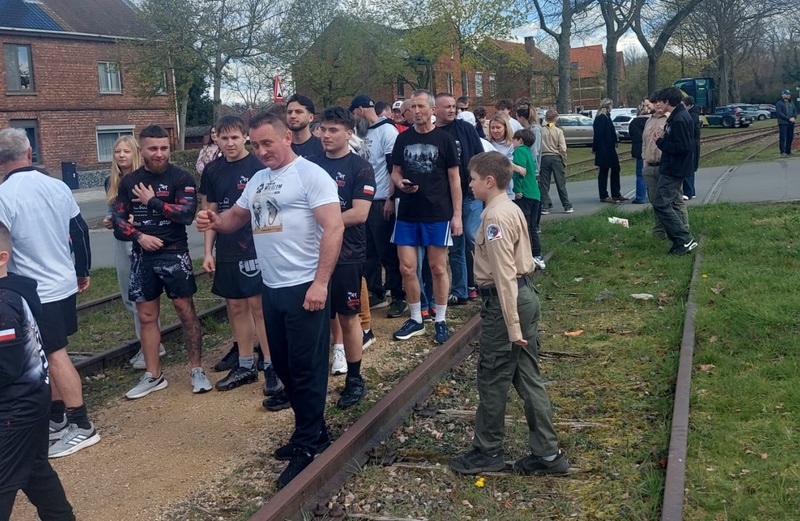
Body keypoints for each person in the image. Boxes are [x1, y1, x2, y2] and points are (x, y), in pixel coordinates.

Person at [196, 112, 344, 489]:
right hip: (272, 287)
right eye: (256, 144)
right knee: (284, 369)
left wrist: (320, 283)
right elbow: (236, 218)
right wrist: (213, 221)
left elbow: (334, 227)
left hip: (304, 286)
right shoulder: (258, 180)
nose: (261, 152)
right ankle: (310, 431)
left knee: (307, 367)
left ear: (286, 139)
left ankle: (309, 445)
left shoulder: (311, 175)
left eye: (267, 144)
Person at [449, 151, 569, 476]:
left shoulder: (494, 219)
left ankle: (487, 451)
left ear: (488, 181)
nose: (469, 185)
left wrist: (512, 326)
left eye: (472, 179)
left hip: (508, 303)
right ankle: (547, 454)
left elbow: (503, 274)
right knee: (527, 376)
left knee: (492, 376)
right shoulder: (509, 207)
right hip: (523, 295)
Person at [0, 128, 99, 459]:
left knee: (54, 356)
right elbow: (80, 232)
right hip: (62, 283)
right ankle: (56, 415)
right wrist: (82, 271)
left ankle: (82, 424)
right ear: (30, 153)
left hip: (32, 290)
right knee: (48, 353)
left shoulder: (3, 196)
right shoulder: (57, 185)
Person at [113, 125, 211, 399]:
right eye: (153, 148)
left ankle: (197, 369)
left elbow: (186, 214)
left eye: (164, 148)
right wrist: (140, 236)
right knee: (146, 316)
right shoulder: (130, 181)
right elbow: (119, 222)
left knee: (185, 310)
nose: (159, 153)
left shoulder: (182, 178)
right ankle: (153, 375)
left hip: (174, 254)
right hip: (143, 255)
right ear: (141, 150)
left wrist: (152, 201)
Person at [199, 116, 284, 398]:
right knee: (235, 307)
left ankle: (271, 364)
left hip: (256, 246)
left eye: (235, 137)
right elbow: (210, 211)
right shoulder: (212, 170)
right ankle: (246, 364)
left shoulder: (258, 165)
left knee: (259, 308)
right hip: (227, 248)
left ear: (244, 137)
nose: (230, 143)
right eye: (224, 138)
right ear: (216, 140)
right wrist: (207, 250)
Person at [0, 223, 75, 521]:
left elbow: (6, 367)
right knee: (34, 470)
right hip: (30, 402)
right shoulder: (12, 293)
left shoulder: (3, 306)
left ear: (2, 258)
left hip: (14, 408)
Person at [390, 89, 462, 345]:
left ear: (432, 110)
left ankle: (440, 319)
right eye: (413, 107)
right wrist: (400, 184)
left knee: (437, 267)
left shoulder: (444, 140)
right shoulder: (402, 139)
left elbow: (455, 179)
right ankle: (416, 317)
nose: (417, 111)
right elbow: (395, 173)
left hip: (437, 213)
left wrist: (457, 215)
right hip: (408, 213)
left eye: (421, 106)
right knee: (407, 267)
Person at [315, 107, 375, 408]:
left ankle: (354, 378)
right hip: (310, 253)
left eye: (333, 130)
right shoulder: (309, 165)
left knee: (348, 316)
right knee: (313, 317)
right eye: (323, 129)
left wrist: (326, 221)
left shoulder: (360, 167)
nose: (326, 135)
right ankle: (312, 378)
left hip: (347, 253)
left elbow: (360, 213)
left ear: (348, 133)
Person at [103, 136, 166, 369]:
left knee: (144, 295)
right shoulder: (111, 180)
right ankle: (146, 344)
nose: (121, 156)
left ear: (136, 154)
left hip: (141, 238)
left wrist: (131, 220)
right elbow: (114, 211)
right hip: (121, 239)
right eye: (117, 151)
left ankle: (152, 346)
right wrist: (110, 220)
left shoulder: (143, 179)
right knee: (128, 295)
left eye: (126, 152)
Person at [349, 95, 407, 318]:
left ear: (361, 110)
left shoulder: (387, 131)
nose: (354, 119)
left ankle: (398, 295)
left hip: (382, 197)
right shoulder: (360, 133)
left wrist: (391, 198)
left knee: (387, 252)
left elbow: (394, 167)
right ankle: (376, 291)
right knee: (368, 252)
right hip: (364, 200)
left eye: (354, 114)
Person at [434, 92, 484, 305]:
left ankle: (489, 281)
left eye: (454, 106)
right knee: (456, 248)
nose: (452, 110)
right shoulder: (433, 133)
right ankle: (460, 291)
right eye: (447, 107)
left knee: (475, 238)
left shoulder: (466, 129)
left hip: (470, 195)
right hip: (447, 199)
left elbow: (480, 157)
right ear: (435, 110)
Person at [653, 87, 698, 255]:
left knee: (661, 204)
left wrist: (661, 142)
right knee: (668, 203)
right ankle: (680, 242)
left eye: (660, 101)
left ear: (667, 102)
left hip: (674, 168)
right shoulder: (677, 117)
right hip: (674, 167)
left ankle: (684, 239)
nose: (657, 104)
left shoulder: (679, 119)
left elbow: (683, 146)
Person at [642, 93, 689, 239]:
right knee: (657, 203)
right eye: (653, 103)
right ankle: (660, 232)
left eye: (658, 102)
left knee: (675, 201)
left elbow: (680, 144)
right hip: (650, 166)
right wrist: (645, 161)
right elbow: (644, 143)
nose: (656, 106)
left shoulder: (672, 119)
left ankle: (683, 231)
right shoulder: (649, 121)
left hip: (667, 166)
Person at [511, 129, 545, 270]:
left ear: (520, 140)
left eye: (514, 139)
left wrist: (517, 189)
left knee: (524, 226)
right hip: (535, 194)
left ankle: (529, 254)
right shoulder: (529, 153)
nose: (512, 141)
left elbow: (519, 171)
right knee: (532, 226)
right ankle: (537, 253)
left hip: (524, 194)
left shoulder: (519, 151)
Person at [538, 110, 573, 214]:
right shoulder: (558, 131)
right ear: (555, 119)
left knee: (544, 183)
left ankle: (544, 206)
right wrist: (564, 159)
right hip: (556, 157)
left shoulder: (541, 131)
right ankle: (567, 205)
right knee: (560, 183)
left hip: (544, 157)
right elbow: (563, 148)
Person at [593, 99, 626, 203]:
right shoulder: (601, 118)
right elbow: (598, 135)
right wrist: (595, 148)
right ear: (608, 106)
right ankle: (604, 195)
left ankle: (616, 193)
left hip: (609, 148)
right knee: (604, 171)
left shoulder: (607, 117)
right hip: (604, 149)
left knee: (615, 168)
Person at [287, 94, 324, 158]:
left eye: (298, 112)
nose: (292, 116)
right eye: (289, 112)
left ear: (311, 117)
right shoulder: (281, 147)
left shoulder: (322, 147)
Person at [629, 101, 650, 204]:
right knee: (652, 174)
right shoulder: (650, 121)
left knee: (640, 175)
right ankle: (652, 196)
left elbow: (632, 136)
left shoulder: (633, 123)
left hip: (639, 151)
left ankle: (640, 197)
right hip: (650, 150)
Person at [681, 96, 701, 200]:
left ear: (689, 105)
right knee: (690, 168)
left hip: (691, 144)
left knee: (688, 167)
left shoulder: (691, 116)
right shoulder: (693, 114)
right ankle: (690, 191)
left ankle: (689, 191)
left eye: (683, 105)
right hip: (693, 144)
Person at [776, 89, 797, 156]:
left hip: (791, 122)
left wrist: (794, 117)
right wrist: (788, 118)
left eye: (789, 94)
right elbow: (779, 113)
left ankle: (788, 150)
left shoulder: (791, 102)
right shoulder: (779, 103)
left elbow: (795, 111)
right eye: (787, 94)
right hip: (783, 122)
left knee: (790, 137)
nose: (788, 96)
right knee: (783, 137)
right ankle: (782, 151)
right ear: (783, 95)